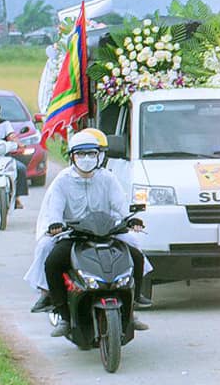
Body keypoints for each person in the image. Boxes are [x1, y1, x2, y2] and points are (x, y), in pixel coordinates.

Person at [26, 128, 150, 332]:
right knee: (51, 260)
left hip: (106, 231)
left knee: (135, 251)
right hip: (73, 235)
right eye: (81, 154)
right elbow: (54, 209)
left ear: (99, 156)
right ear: (72, 157)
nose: (86, 159)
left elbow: (121, 205)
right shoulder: (62, 181)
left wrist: (131, 218)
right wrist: (55, 225)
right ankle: (59, 309)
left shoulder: (107, 178)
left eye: (91, 153)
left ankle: (133, 305)